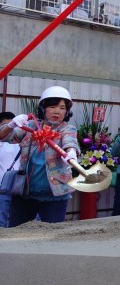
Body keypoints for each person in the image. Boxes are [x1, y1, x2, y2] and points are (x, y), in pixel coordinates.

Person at [0, 86, 80, 226]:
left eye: (62, 108)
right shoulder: (30, 126)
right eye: (53, 106)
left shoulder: (67, 129)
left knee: (52, 234)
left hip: (55, 193)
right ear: (43, 108)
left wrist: (71, 152)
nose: (57, 111)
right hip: (24, 191)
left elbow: (70, 141)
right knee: (17, 230)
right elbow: (4, 136)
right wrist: (11, 125)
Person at [0, 112, 21, 227]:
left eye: (14, 126)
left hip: (22, 189)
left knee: (23, 223)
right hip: (2, 189)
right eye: (5, 126)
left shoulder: (25, 143)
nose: (10, 129)